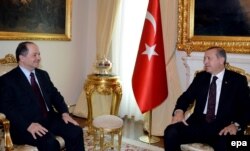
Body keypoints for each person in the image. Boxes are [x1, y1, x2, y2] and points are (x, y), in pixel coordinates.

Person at [0, 41, 85, 151]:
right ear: (22, 58)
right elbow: (7, 108)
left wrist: (64, 113)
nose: (39, 58)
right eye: (34, 55)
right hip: (25, 124)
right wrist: (28, 125)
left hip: (49, 117)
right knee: (50, 143)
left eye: (39, 54)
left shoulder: (43, 75)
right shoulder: (7, 80)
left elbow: (55, 95)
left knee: (75, 131)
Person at [164, 46, 250, 150]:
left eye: (209, 58)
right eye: (204, 58)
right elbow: (185, 97)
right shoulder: (201, 77)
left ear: (221, 60)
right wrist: (179, 111)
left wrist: (236, 125)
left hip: (223, 127)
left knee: (228, 145)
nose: (205, 62)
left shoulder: (237, 80)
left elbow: (247, 108)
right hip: (198, 124)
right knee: (171, 132)